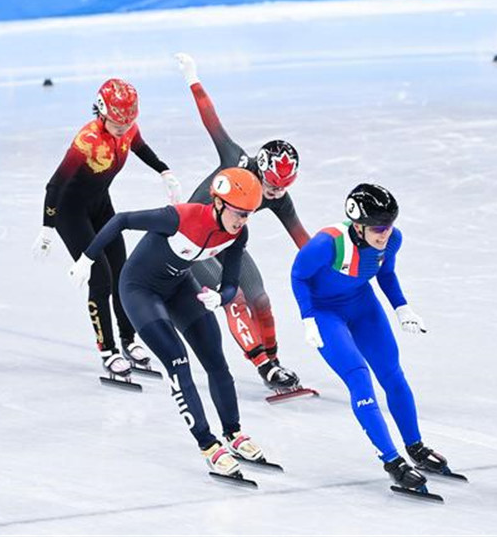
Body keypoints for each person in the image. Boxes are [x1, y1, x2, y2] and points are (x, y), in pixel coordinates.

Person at [69, 167, 269, 476]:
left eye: (248, 214)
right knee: (178, 363)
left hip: (179, 287)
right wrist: (87, 259)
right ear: (217, 203)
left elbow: (230, 281)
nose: (241, 221)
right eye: (238, 212)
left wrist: (222, 297)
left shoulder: (238, 233)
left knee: (216, 361)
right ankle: (208, 445)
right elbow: (122, 219)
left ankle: (234, 432)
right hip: (139, 291)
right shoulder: (179, 217)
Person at [291, 183, 451, 490]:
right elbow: (299, 276)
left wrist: (402, 308)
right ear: (358, 225)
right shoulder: (327, 243)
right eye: (378, 227)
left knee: (393, 375)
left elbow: (386, 274)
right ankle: (392, 460)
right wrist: (308, 317)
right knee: (360, 378)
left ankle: (415, 446)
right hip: (326, 314)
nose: (385, 233)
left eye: (389, 226)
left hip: (363, 307)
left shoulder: (393, 239)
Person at [174, 53, 310, 392]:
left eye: (283, 187)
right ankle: (262, 364)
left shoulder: (279, 196)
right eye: (272, 185)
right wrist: (193, 77)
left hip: (229, 241)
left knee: (260, 299)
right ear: (258, 170)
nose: (276, 192)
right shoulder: (236, 160)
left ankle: (273, 364)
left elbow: (303, 241)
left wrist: (336, 263)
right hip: (193, 243)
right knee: (232, 299)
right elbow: (211, 121)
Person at [33, 78, 182, 377]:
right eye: (117, 124)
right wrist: (47, 228)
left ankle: (128, 340)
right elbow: (55, 185)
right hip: (69, 213)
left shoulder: (127, 126)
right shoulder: (87, 141)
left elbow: (140, 146)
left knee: (122, 272)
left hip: (101, 206)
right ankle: (108, 350)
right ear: (101, 113)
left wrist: (164, 170)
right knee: (99, 277)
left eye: (128, 123)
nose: (123, 129)